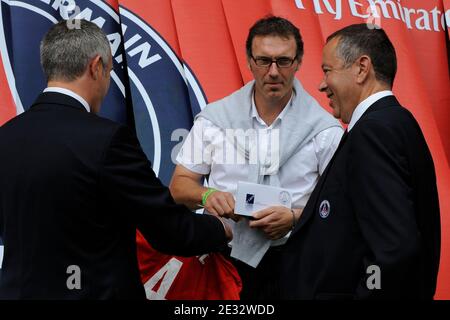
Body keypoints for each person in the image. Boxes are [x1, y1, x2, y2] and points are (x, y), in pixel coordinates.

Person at [0, 19, 232, 300]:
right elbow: (169, 231)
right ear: (96, 66)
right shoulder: (108, 140)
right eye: (109, 71)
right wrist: (221, 228)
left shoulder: (6, 137)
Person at [170, 16, 343, 299]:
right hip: (224, 257)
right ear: (249, 61)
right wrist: (207, 195)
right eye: (263, 60)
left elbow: (340, 205)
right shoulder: (215, 119)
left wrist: (295, 218)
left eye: (283, 61)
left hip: (297, 258)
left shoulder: (324, 130)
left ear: (298, 62)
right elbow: (179, 187)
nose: (273, 72)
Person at [280, 24, 441, 299]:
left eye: (327, 70)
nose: (321, 84)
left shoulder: (374, 131)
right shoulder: (394, 122)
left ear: (362, 68)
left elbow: (392, 249)